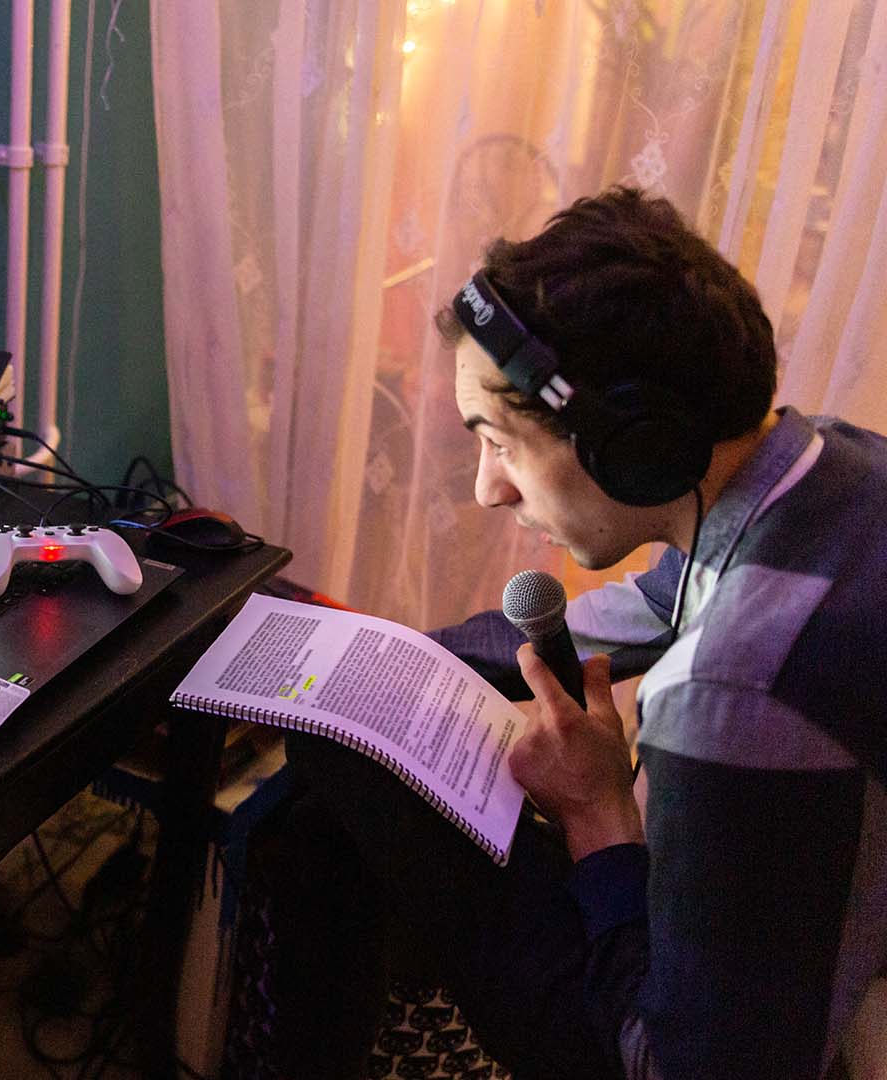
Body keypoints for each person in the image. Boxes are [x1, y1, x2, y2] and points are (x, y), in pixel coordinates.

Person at [264, 187, 887, 1079]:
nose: (487, 490)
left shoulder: (728, 691)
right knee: (345, 743)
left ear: (629, 445)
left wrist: (600, 814)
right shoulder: (829, 466)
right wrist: (384, 661)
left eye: (500, 442)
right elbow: (641, 609)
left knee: (336, 764)